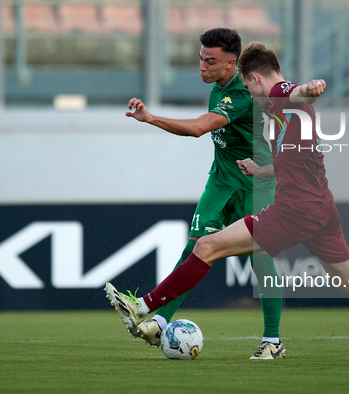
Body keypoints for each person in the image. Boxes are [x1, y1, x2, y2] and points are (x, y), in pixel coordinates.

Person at [106, 41, 349, 361]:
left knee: (206, 247)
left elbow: (299, 93)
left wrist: (311, 89)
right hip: (323, 208)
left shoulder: (279, 94)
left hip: (294, 211)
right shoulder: (281, 113)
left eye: (248, 87)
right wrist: (260, 170)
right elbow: (292, 158)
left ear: (256, 79)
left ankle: (144, 305)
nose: (251, 95)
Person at [122, 28, 286, 359]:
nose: (202, 67)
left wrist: (150, 118)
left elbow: (198, 129)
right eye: (200, 59)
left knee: (261, 255)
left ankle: (273, 341)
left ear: (231, 63)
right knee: (193, 249)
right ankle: (160, 322)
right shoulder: (218, 84)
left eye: (210, 62)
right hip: (222, 180)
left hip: (256, 184)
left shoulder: (242, 95)